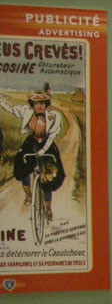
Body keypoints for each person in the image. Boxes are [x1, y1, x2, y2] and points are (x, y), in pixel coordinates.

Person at [0, 83, 66, 219]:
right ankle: (28, 193)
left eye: (42, 103)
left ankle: (48, 207)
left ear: (46, 104)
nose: (39, 106)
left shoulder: (54, 116)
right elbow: (10, 108)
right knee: (21, 161)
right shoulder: (26, 111)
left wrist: (43, 151)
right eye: (36, 103)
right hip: (32, 142)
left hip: (47, 143)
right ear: (32, 105)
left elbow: (53, 136)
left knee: (49, 175)